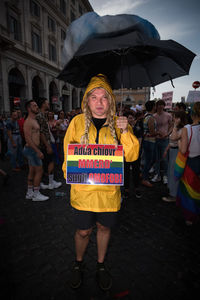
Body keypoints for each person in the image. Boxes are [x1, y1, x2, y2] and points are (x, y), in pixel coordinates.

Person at [62, 74, 139, 290]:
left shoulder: (119, 124)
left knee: (104, 228)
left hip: (108, 194)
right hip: (83, 193)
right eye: (93, 97)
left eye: (104, 98)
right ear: (86, 100)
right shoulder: (77, 123)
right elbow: (68, 158)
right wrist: (74, 171)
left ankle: (101, 264)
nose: (99, 102)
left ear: (111, 101)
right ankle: (78, 263)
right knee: (83, 232)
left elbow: (132, 156)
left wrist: (125, 131)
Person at [176, 102, 200, 225]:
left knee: (189, 192)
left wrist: (180, 142)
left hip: (191, 164)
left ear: (193, 113)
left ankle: (190, 217)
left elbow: (183, 150)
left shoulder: (188, 129)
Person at [23, 100, 49, 201]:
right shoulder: (28, 121)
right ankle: (36, 194)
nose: (37, 107)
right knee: (39, 171)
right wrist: (38, 151)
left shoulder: (34, 120)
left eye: (37, 105)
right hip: (32, 149)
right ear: (29, 108)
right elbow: (28, 139)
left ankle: (29, 193)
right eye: (34, 106)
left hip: (32, 149)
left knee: (32, 171)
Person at [36, 98, 62, 190]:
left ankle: (48, 182)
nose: (48, 104)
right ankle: (50, 183)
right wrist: (48, 145)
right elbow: (41, 132)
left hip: (46, 143)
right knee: (50, 162)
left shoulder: (42, 115)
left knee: (46, 163)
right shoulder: (40, 116)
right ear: (43, 104)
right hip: (45, 144)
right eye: (47, 102)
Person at [162, 111, 187, 202]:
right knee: (170, 171)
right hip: (172, 151)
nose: (174, 119)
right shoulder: (176, 127)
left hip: (177, 152)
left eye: (176, 117)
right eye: (174, 117)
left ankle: (173, 195)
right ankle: (172, 191)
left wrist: (175, 126)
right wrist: (166, 149)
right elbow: (171, 141)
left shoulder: (182, 129)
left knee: (174, 173)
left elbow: (173, 138)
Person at [152, 100, 173, 184]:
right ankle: (157, 174)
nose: (160, 106)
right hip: (156, 139)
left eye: (162, 105)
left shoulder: (168, 115)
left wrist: (167, 134)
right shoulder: (154, 116)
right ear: (156, 106)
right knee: (156, 158)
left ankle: (165, 175)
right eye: (159, 105)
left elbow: (171, 126)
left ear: (164, 106)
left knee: (165, 159)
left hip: (165, 139)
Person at [123, 111, 143, 198]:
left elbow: (139, 141)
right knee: (126, 172)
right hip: (125, 154)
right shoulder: (122, 129)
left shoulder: (138, 128)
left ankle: (137, 189)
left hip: (135, 154)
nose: (130, 120)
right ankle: (126, 190)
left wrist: (137, 152)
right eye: (128, 118)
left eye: (131, 118)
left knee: (136, 171)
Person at [141, 100, 157, 187]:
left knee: (148, 160)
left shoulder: (146, 116)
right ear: (152, 107)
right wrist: (158, 133)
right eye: (155, 106)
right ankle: (145, 178)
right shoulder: (150, 117)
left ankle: (143, 174)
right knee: (149, 160)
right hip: (150, 141)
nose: (156, 107)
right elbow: (152, 131)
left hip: (146, 140)